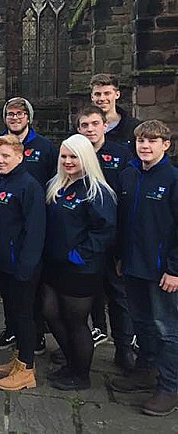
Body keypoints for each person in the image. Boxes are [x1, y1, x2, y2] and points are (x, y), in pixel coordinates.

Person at [110, 120, 178, 416]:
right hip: (133, 266)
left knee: (167, 329)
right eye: (141, 141)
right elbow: (125, 223)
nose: (145, 146)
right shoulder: (128, 176)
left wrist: (175, 269)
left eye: (152, 141)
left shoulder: (174, 180)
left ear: (166, 145)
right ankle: (145, 370)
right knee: (142, 323)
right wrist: (121, 257)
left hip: (163, 272)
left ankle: (170, 386)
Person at [41, 134, 116, 391]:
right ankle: (71, 362)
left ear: (86, 158)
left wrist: (80, 254)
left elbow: (105, 230)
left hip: (80, 269)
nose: (68, 161)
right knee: (50, 311)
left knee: (76, 323)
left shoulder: (97, 191)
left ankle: (81, 375)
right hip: (54, 266)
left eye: (73, 156)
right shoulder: (57, 186)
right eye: (64, 156)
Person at [76, 106, 136, 370]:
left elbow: (128, 199)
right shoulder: (74, 152)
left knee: (119, 297)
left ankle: (123, 349)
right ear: (79, 129)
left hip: (113, 239)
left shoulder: (121, 154)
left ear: (104, 126)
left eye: (94, 124)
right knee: (84, 296)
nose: (90, 129)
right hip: (84, 238)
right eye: (84, 125)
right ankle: (82, 342)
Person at [0, 97, 57, 355]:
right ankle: (15, 333)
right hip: (6, 233)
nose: (15, 117)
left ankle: (34, 341)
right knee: (12, 299)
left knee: (30, 297)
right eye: (10, 114)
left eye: (20, 113)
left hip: (31, 227)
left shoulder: (44, 146)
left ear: (29, 117)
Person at [0, 134, 45, 391]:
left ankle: (27, 369)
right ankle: (20, 357)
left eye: (6, 156)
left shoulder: (28, 185)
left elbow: (35, 230)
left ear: (19, 157)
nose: (0, 160)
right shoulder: (5, 182)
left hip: (22, 265)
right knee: (13, 313)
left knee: (24, 316)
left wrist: (26, 265)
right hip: (4, 264)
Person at [89, 73, 141, 149]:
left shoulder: (133, 127)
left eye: (107, 93)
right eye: (98, 94)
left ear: (117, 95)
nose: (102, 98)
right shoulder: (82, 127)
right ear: (92, 97)